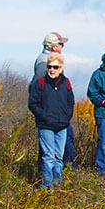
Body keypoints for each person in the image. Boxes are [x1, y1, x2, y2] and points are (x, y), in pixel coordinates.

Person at [28, 52, 73, 188]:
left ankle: (57, 184)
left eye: (55, 67)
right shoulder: (40, 83)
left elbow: (70, 102)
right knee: (48, 157)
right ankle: (47, 187)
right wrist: (43, 116)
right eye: (49, 67)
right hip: (45, 126)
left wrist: (66, 117)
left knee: (59, 157)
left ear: (61, 68)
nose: (51, 70)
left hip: (62, 126)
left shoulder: (66, 83)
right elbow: (32, 103)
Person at [33, 32, 76, 168]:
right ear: (52, 46)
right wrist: (44, 114)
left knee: (63, 142)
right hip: (49, 116)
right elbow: (39, 90)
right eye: (60, 44)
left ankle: (60, 173)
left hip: (58, 115)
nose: (62, 46)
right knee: (49, 150)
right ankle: (50, 176)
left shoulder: (49, 60)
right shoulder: (44, 62)